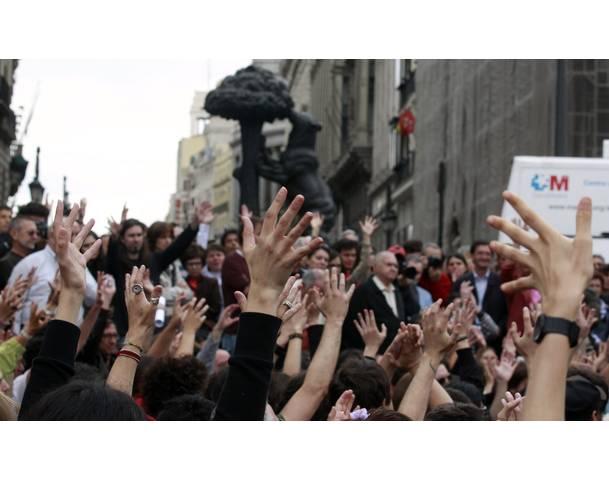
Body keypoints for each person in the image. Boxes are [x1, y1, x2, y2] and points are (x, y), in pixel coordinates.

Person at [105, 201, 211, 337]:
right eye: (131, 236)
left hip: (150, 327)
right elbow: (110, 258)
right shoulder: (117, 263)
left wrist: (195, 224)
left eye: (139, 235)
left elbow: (177, 247)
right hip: (123, 327)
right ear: (123, 239)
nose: (136, 239)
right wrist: (114, 238)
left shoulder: (153, 260)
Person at [7, 222, 98, 334]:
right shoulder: (30, 263)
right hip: (33, 336)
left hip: (70, 336)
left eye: (76, 234)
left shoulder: (78, 264)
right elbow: (12, 303)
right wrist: (15, 338)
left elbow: (94, 297)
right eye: (70, 233)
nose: (74, 238)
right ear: (52, 234)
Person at [342, 251, 407, 353]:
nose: (393, 269)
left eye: (396, 266)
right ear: (375, 267)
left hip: (394, 354)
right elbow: (353, 326)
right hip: (368, 355)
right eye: (388, 264)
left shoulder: (397, 292)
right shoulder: (363, 291)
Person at [452, 240, 508, 348]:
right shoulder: (461, 282)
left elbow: (505, 312)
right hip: (467, 340)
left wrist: (499, 331)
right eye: (480, 253)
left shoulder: (500, 282)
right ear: (472, 256)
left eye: (487, 254)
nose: (484, 257)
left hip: (494, 342)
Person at [182, 245, 221, 328]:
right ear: (185, 266)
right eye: (190, 264)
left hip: (205, 326)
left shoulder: (211, 283)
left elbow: (216, 308)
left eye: (197, 263)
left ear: (202, 264)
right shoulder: (181, 283)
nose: (194, 267)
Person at [0, 217, 39, 290]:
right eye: (31, 233)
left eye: (37, 233)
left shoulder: (35, 259)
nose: (35, 237)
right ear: (14, 234)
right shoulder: (5, 263)